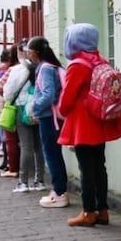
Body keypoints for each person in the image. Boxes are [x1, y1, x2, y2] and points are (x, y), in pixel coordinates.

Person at [58, 23, 121, 227]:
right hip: (99, 120)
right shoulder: (100, 60)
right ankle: (102, 210)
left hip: (82, 122)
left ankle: (88, 212)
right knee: (99, 166)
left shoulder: (77, 64)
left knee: (86, 168)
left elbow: (67, 98)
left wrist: (62, 110)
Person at [25, 36, 70, 209]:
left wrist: (33, 107)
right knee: (54, 153)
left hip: (49, 118)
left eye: (29, 51)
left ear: (35, 53)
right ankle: (60, 190)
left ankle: (59, 192)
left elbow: (48, 94)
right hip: (54, 117)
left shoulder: (44, 68)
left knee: (51, 153)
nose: (28, 54)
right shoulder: (53, 66)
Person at [3, 43, 45, 193]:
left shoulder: (17, 70)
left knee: (26, 146)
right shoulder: (42, 68)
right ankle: (39, 181)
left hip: (22, 109)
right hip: (39, 109)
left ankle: (23, 182)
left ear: (22, 52)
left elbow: (7, 93)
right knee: (39, 146)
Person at [0, 46, 21, 177]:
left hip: (11, 108)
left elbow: (0, 89)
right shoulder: (33, 67)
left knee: (11, 140)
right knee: (30, 143)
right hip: (28, 109)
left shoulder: (13, 69)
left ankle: (13, 168)